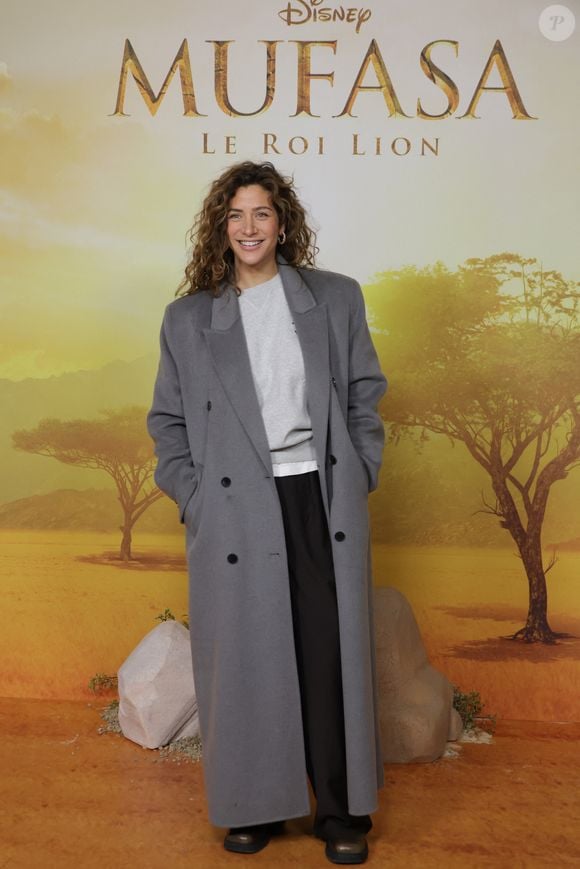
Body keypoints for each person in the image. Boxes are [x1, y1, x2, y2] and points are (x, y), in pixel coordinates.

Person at [147, 161, 387, 865]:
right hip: (232, 507)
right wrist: (195, 500)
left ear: (283, 223)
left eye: (262, 214)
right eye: (235, 216)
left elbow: (365, 393)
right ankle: (253, 807)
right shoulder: (188, 319)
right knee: (247, 661)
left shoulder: (334, 298)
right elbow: (167, 424)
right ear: (219, 228)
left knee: (327, 654)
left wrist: (360, 469)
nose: (249, 228)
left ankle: (340, 811)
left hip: (317, 496)